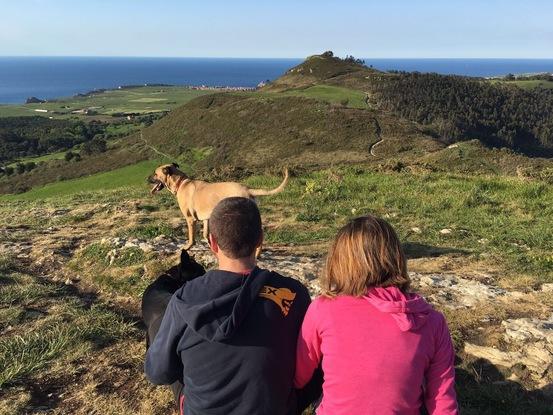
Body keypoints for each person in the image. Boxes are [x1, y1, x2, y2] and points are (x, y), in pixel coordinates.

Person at [144, 197, 320, 415]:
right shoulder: (294, 294)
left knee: (172, 355)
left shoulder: (184, 299)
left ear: (212, 242)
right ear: (260, 239)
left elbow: (157, 374)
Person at [294, 215, 458, 415]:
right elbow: (443, 402)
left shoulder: (323, 309)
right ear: (396, 257)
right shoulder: (432, 321)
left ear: (338, 261)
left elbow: (299, 376)